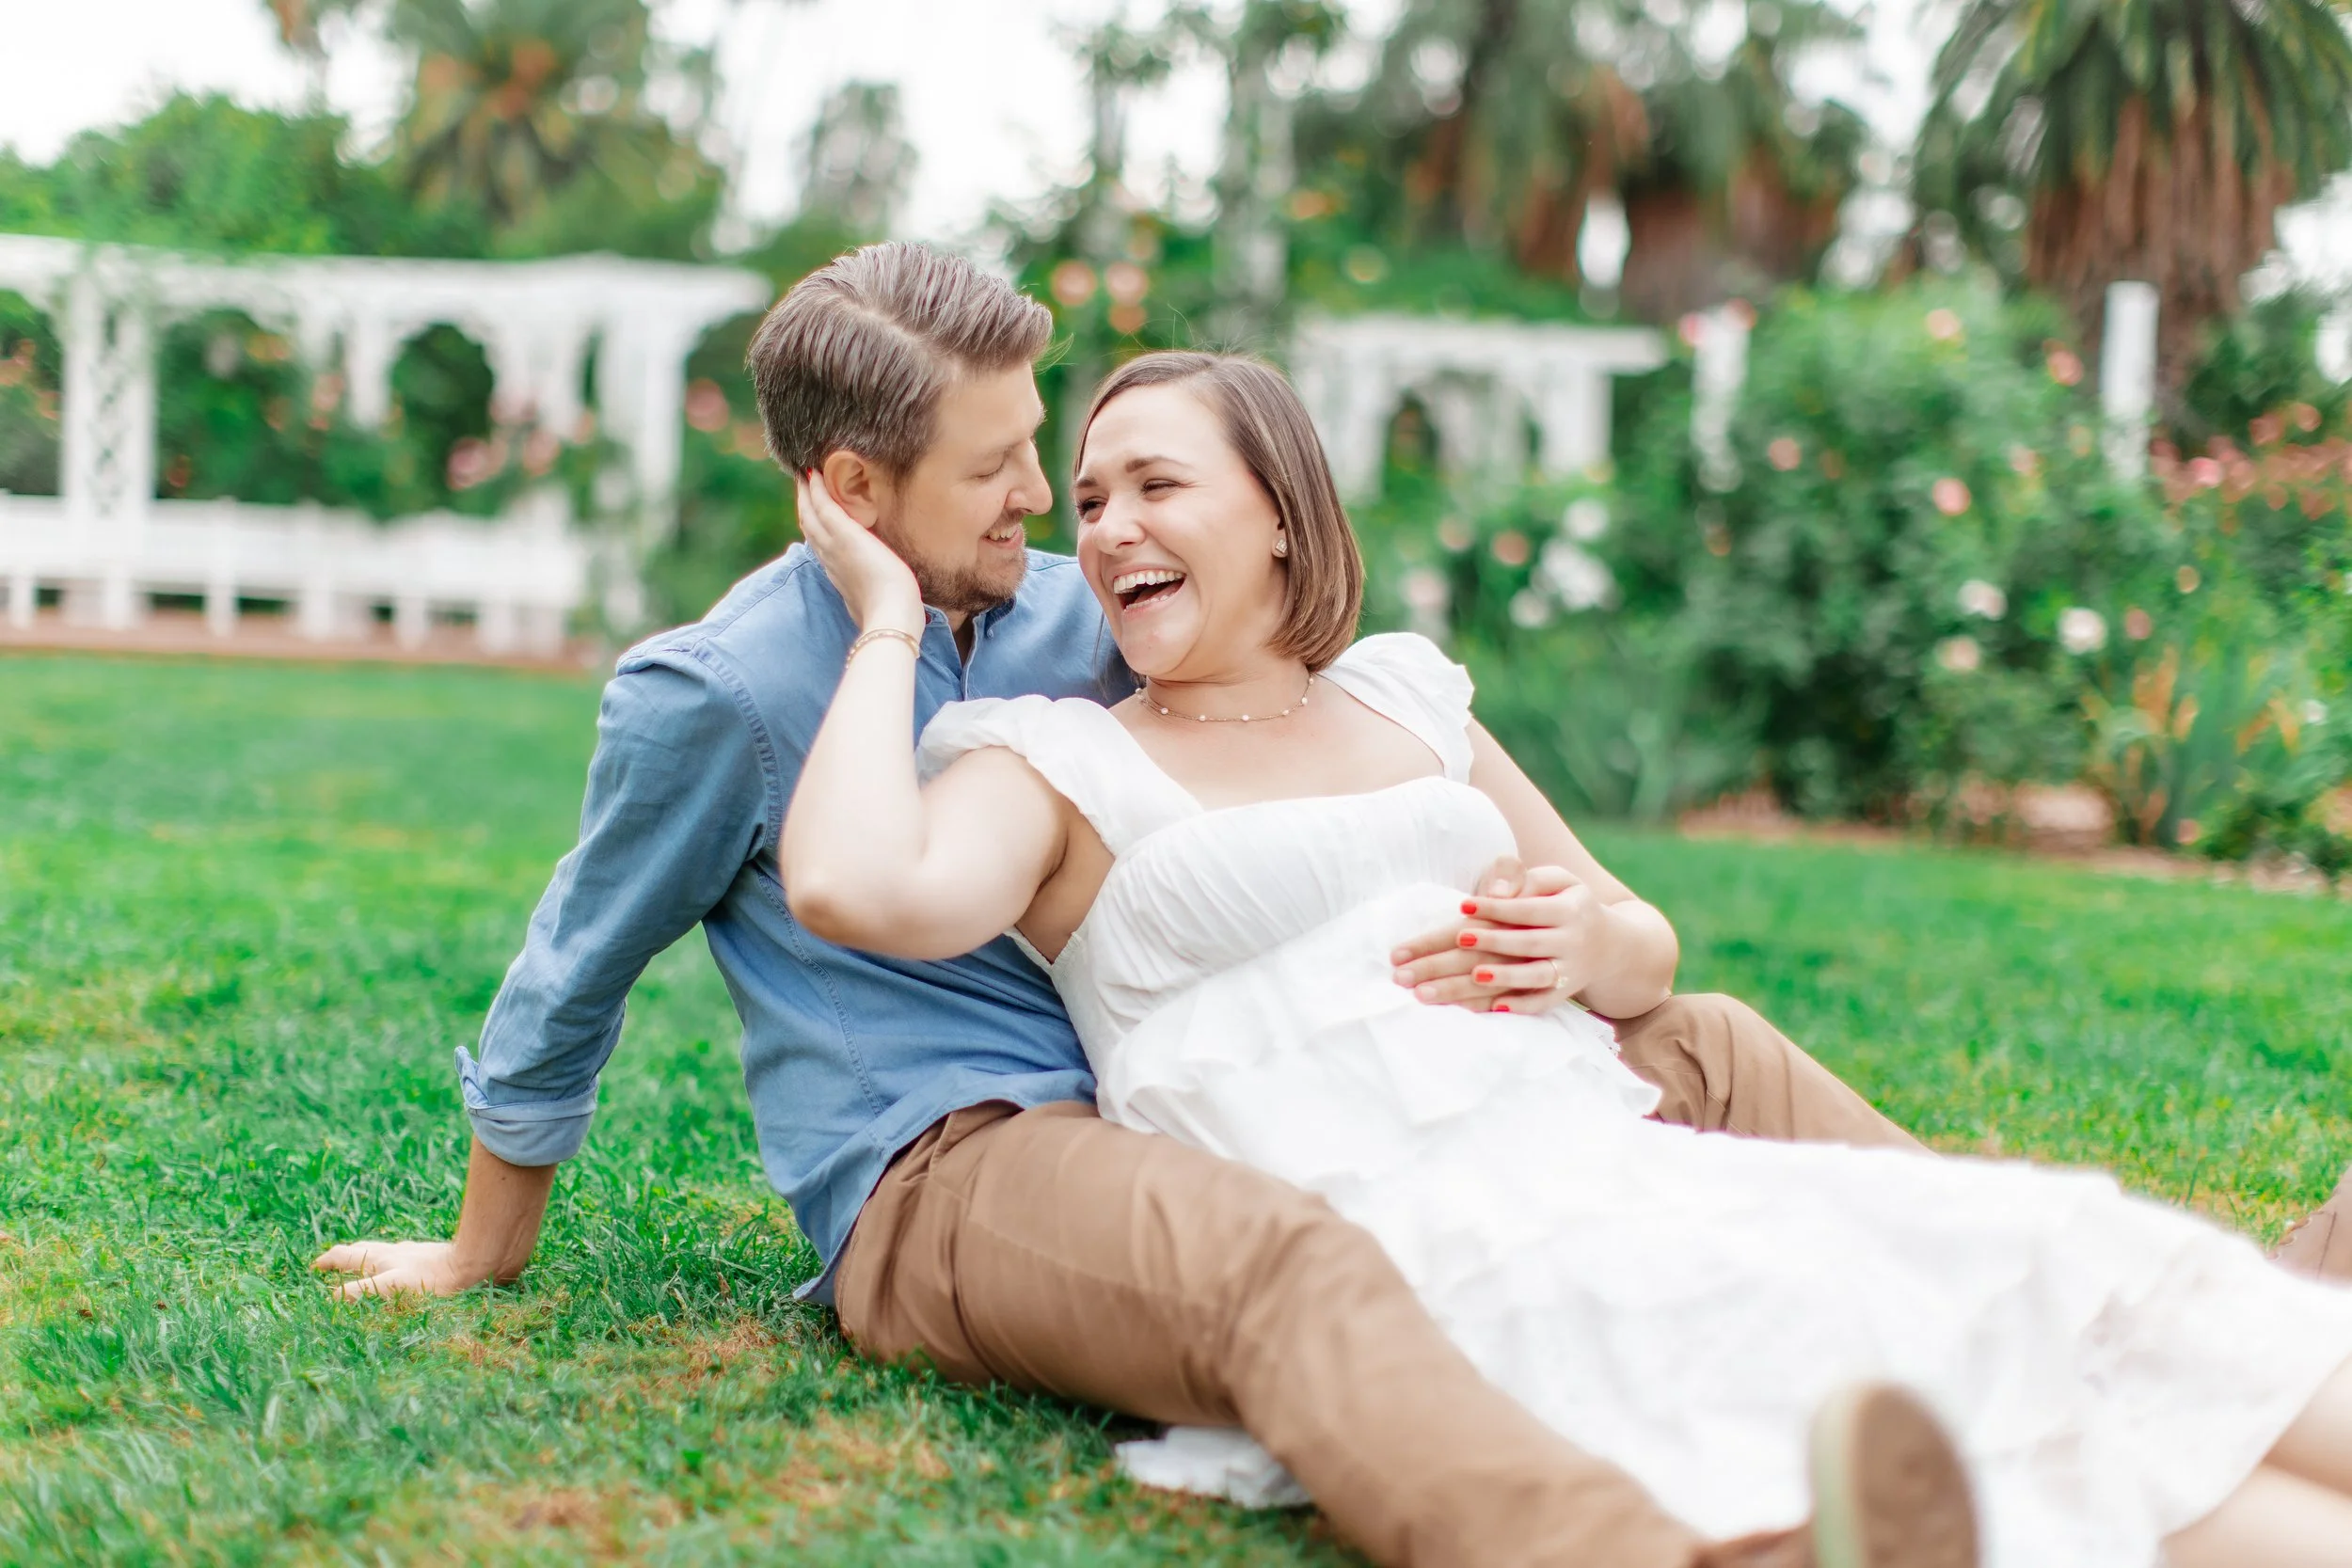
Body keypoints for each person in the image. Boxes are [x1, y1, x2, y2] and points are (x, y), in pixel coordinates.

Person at [776, 340, 2352, 1568]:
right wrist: (889, 616)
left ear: (1277, 511)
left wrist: (1587, 936)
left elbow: (1644, 946)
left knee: (2055, 1293)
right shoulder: (1056, 762)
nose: (1106, 526)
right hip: (1426, 1227)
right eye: (1093, 495)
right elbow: (855, 878)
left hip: (1597, 1149)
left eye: (1154, 485)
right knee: (1956, 1406)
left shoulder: (1404, 698)